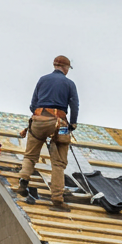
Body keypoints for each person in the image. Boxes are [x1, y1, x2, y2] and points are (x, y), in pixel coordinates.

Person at [17, 56, 79, 213]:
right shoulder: (69, 84)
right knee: (58, 163)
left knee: (30, 155)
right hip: (60, 124)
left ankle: (23, 180)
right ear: (65, 68)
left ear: (54, 65)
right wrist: (72, 124)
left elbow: (33, 105)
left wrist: (41, 117)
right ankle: (57, 199)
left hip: (38, 120)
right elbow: (74, 105)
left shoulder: (42, 80)